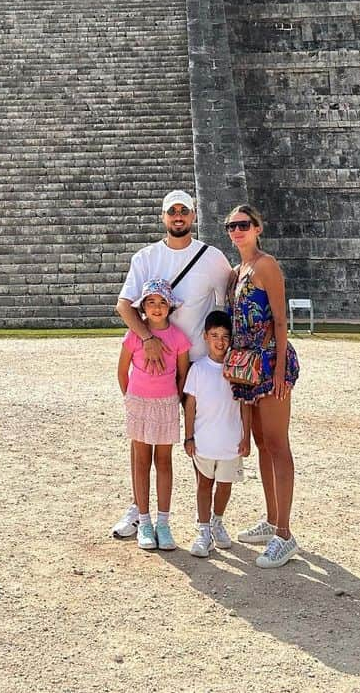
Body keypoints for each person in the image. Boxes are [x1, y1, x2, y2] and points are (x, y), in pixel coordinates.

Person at [110, 190, 233, 540]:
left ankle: (205, 522)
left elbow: (227, 303)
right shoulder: (146, 257)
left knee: (200, 441)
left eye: (184, 211)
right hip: (154, 369)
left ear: (194, 216)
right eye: (172, 212)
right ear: (163, 217)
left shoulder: (211, 257)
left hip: (194, 362)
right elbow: (124, 305)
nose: (178, 217)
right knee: (144, 443)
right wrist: (148, 340)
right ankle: (140, 511)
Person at [224, 203, 301, 569]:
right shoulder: (238, 271)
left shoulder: (266, 265)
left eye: (243, 225)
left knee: (277, 443)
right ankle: (272, 520)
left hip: (269, 362)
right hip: (247, 365)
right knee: (260, 444)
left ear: (258, 228)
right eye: (230, 226)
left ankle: (285, 534)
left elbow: (282, 321)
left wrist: (281, 368)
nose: (236, 231)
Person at [116, 278, 191, 551]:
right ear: (143, 307)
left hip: (165, 404)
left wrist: (174, 398)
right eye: (151, 303)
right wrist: (131, 399)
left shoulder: (179, 337)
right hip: (139, 403)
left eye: (162, 303)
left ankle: (163, 522)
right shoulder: (134, 335)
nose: (157, 308)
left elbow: (183, 373)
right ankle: (144, 521)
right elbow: (122, 371)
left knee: (164, 462)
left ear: (170, 306)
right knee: (141, 461)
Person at [182, 310, 252, 557]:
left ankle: (217, 521)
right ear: (205, 337)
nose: (220, 341)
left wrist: (247, 437)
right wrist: (189, 436)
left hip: (231, 441)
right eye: (214, 336)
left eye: (224, 336)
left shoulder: (236, 369)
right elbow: (190, 405)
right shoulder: (199, 369)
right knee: (204, 485)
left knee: (224, 486)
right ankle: (203, 531)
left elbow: (245, 403)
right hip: (204, 440)